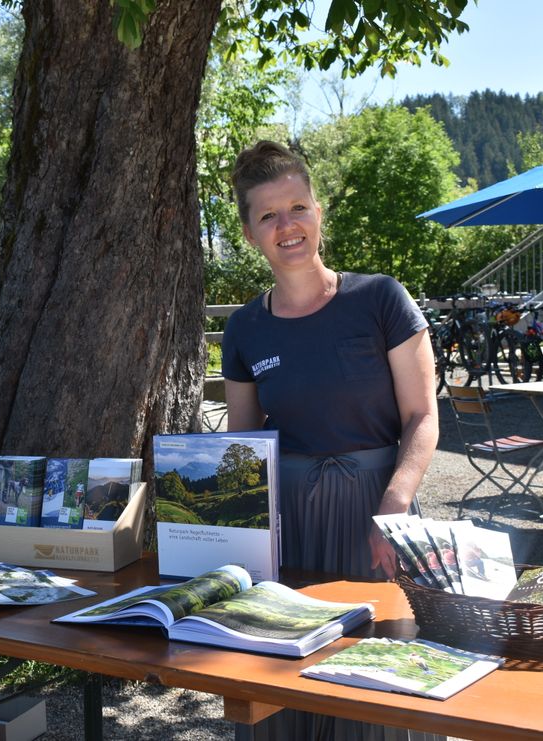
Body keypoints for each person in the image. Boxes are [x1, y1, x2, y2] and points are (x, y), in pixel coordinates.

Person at [222, 141, 439, 740]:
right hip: (288, 521)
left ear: (319, 212)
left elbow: (423, 416)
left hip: (380, 514)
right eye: (268, 215)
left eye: (298, 207)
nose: (287, 225)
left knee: (377, 683)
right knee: (282, 680)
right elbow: (242, 445)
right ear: (249, 233)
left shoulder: (380, 298)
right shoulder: (244, 327)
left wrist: (393, 508)